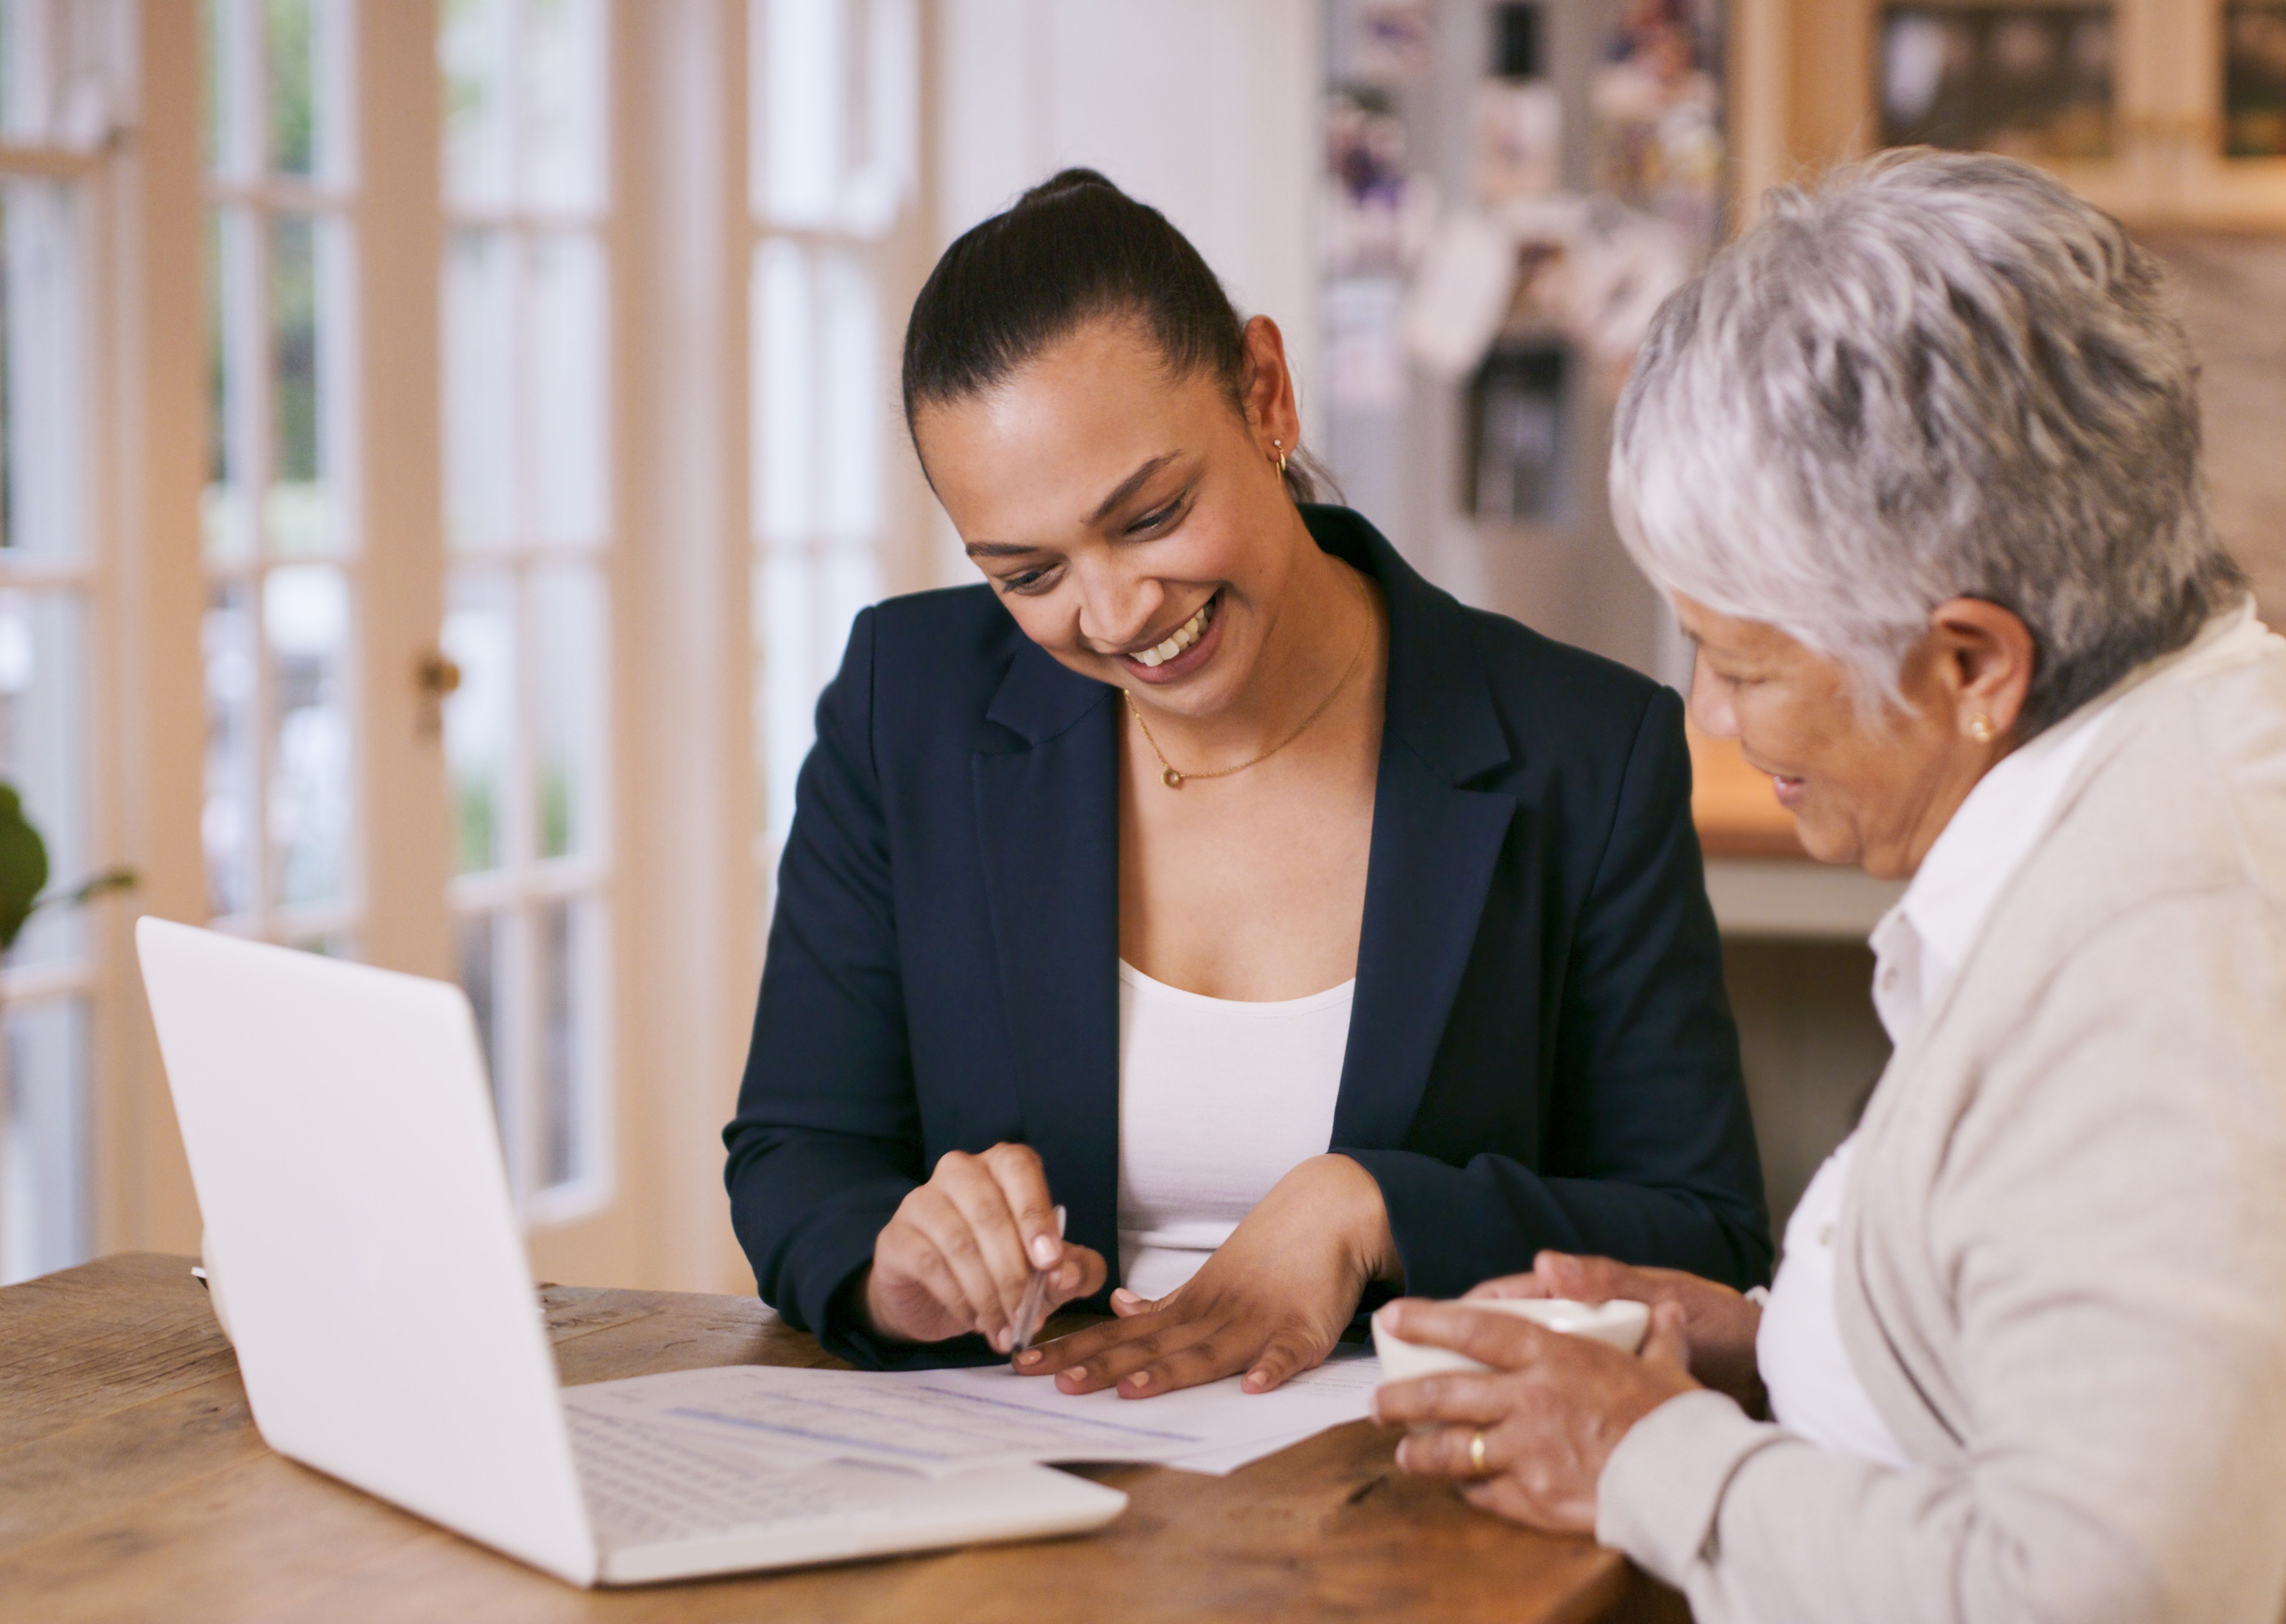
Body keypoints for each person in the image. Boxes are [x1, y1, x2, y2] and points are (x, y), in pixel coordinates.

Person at [1371, 150, 2286, 1621]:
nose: (1714, 721)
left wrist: (1645, 1457)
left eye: (1743, 664)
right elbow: (2095, 1329)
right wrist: (1770, 1338)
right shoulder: (2204, 726)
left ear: (1972, 665)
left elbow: (2099, 1593)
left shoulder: (2176, 955)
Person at [724, 170, 1770, 1397]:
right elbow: (798, 1152)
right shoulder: (905, 702)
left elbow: (1703, 1235)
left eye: (1152, 514)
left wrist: (1376, 1207)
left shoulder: (1582, 747)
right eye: (1025, 575)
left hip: (1411, 1492)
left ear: (1264, 393)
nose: (1114, 617)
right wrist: (893, 1270)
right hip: (1027, 1475)